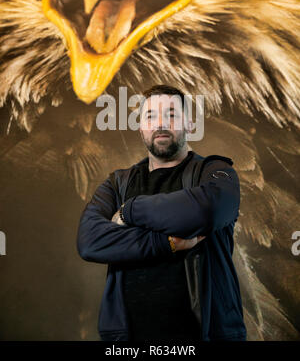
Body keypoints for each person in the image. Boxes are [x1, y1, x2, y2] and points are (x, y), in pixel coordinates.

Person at [77, 84, 247, 342]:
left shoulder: (215, 172)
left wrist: (129, 211)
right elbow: (90, 241)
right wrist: (165, 242)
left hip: (205, 335)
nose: (160, 123)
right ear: (140, 127)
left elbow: (207, 210)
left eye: (171, 114)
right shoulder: (118, 184)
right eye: (150, 116)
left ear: (190, 124)